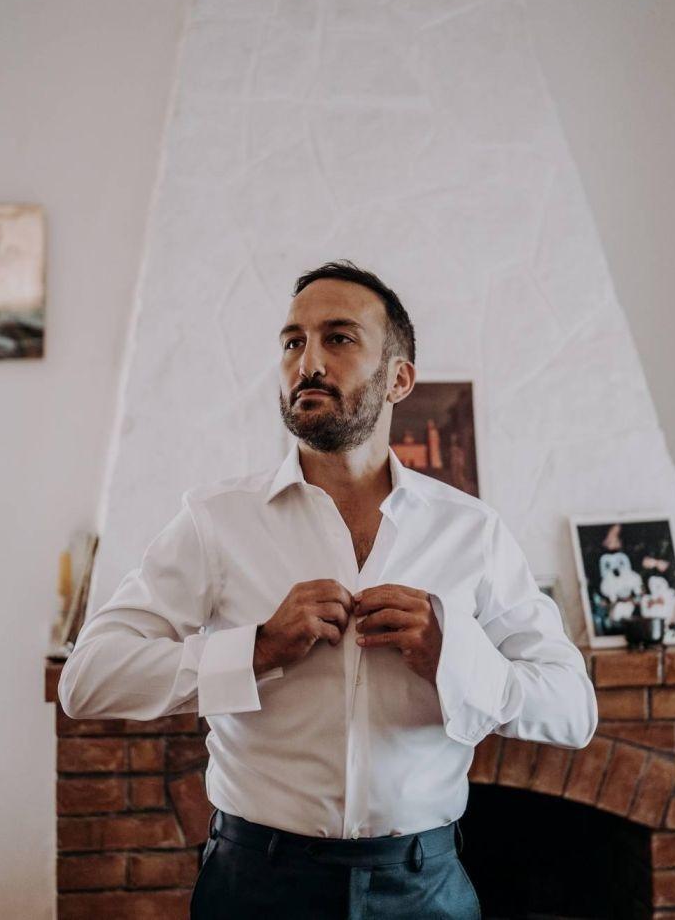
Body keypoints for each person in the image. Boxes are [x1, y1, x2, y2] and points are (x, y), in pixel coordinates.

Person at [59, 260, 599, 919]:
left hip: (423, 889)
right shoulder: (215, 522)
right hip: (256, 885)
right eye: (293, 342)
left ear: (399, 379)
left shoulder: (472, 532)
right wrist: (254, 650)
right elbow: (88, 679)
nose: (308, 363)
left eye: (338, 338)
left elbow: (572, 710)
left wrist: (453, 656)